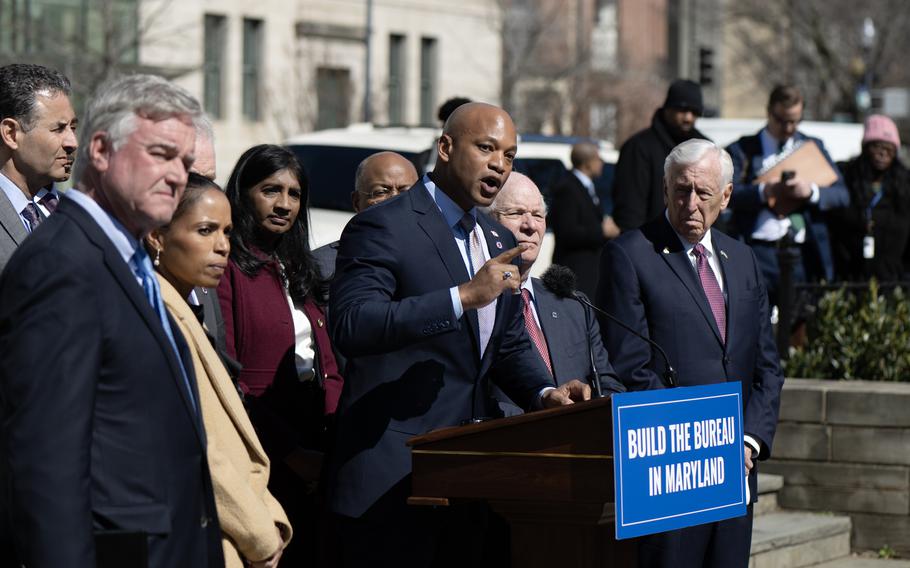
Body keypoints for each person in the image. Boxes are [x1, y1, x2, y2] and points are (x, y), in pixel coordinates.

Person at [327, 102, 591, 567]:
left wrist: (544, 392)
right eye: (486, 148)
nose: (498, 164)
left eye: (509, 155)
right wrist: (462, 297)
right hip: (392, 476)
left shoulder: (492, 237)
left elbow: (503, 343)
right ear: (446, 148)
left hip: (467, 476)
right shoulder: (384, 224)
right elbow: (352, 324)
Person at [0, 74, 223, 567]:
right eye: (161, 155)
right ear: (100, 151)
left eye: (185, 163)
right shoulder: (61, 265)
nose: (177, 177)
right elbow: (47, 464)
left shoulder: (131, 258)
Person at [596, 139, 785, 568]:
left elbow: (767, 367)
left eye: (703, 193)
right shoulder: (629, 255)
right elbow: (629, 366)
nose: (691, 203)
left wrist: (749, 440)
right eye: (681, 190)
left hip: (738, 467)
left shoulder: (743, 259)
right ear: (665, 189)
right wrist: (705, 441)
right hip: (672, 471)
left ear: (726, 196)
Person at [147, 173, 292, 568]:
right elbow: (197, 445)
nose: (223, 246)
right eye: (206, 230)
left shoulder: (183, 305)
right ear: (157, 236)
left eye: (227, 231)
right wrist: (260, 532)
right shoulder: (154, 316)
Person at [217, 144, 344, 566]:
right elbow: (229, 378)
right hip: (263, 448)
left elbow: (325, 363)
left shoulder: (297, 265)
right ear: (243, 192)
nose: (284, 204)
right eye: (271, 190)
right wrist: (293, 455)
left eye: (294, 194)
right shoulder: (227, 266)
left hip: (316, 440)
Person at [487, 171, 625, 416]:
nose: (530, 226)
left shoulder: (573, 304)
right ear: (488, 222)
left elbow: (608, 384)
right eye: (516, 213)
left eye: (538, 215)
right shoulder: (475, 303)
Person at [726, 85, 849, 306]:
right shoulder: (742, 149)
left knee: (799, 327)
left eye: (795, 121)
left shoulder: (813, 147)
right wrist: (764, 191)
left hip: (802, 253)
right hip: (757, 252)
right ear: (769, 112)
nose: (789, 128)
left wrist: (811, 192)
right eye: (782, 120)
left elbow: (841, 195)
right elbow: (726, 194)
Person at [0, 63, 77, 271]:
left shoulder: (74, 216)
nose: (72, 142)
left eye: (73, 127)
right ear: (11, 134)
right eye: (58, 128)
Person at [612, 79, 709, 233]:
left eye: (695, 112)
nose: (688, 118)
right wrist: (635, 248)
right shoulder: (639, 147)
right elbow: (629, 209)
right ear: (667, 109)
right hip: (651, 245)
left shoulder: (704, 148)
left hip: (695, 245)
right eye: (682, 110)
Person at [828, 114, 910, 282]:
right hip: (851, 276)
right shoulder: (847, 178)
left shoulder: (904, 184)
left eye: (889, 149)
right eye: (877, 147)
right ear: (866, 148)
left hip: (893, 278)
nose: (883, 154)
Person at [312, 150, 419, 280]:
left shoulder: (440, 256)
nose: (395, 200)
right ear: (357, 202)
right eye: (381, 192)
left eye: (405, 193)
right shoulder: (321, 267)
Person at [548, 142, 618, 298]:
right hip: (575, 270)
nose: (602, 163)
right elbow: (567, 232)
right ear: (588, 163)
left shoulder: (587, 186)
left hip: (590, 271)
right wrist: (602, 231)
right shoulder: (567, 188)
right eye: (598, 159)